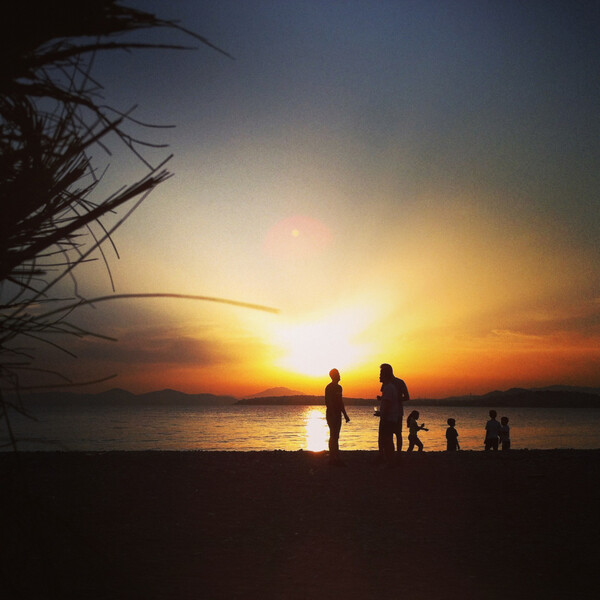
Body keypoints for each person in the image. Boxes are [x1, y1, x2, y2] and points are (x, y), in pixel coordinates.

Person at [380, 363, 409, 453]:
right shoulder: (385, 384)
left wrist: (394, 399)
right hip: (387, 412)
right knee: (386, 435)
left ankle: (398, 454)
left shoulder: (399, 382)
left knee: (397, 433)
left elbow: (407, 397)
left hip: (397, 412)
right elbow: (386, 396)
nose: (380, 375)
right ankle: (384, 453)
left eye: (381, 372)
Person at [325, 368, 350, 465]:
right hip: (332, 414)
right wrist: (333, 413)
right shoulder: (329, 387)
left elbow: (340, 402)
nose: (340, 375)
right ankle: (332, 458)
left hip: (337, 414)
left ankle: (336, 457)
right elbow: (328, 402)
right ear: (333, 376)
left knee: (336, 436)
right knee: (333, 435)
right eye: (338, 374)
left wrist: (345, 415)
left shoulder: (339, 387)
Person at [376, 364, 399, 464]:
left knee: (387, 441)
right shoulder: (389, 387)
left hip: (387, 419)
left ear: (385, 374)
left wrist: (382, 415)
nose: (379, 376)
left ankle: (390, 462)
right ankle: (390, 461)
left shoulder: (389, 388)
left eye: (381, 373)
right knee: (387, 440)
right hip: (388, 418)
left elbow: (388, 404)